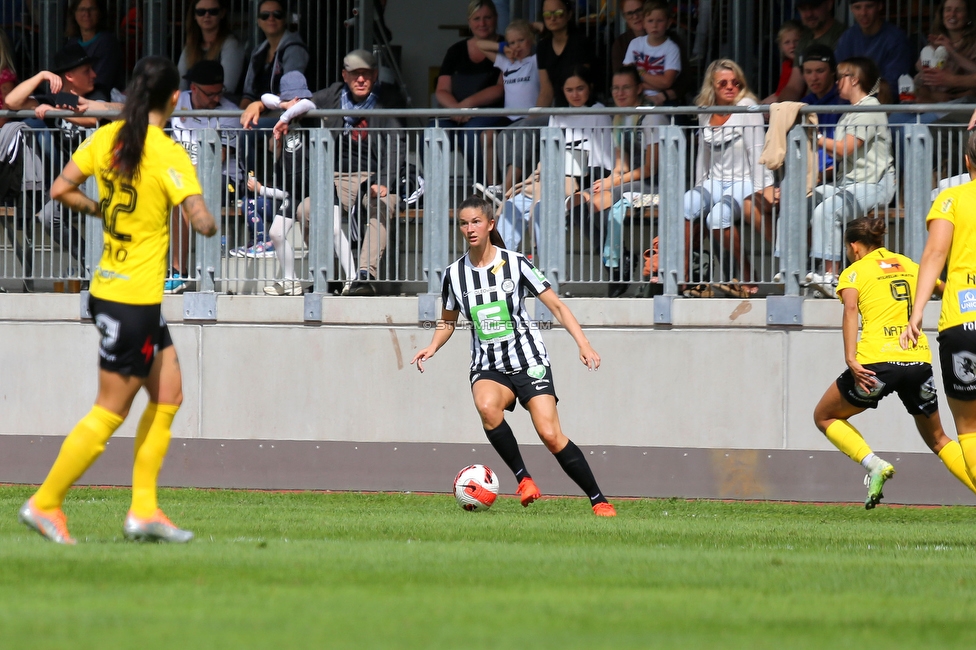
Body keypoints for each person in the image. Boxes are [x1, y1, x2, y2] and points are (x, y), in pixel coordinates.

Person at [17, 56, 217, 545]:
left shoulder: (106, 139)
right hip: (132, 299)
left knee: (169, 394)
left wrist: (100, 208)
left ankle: (144, 510)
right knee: (110, 410)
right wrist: (206, 216)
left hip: (118, 292)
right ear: (173, 99)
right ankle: (45, 502)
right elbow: (201, 221)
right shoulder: (168, 153)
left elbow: (62, 188)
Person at [411, 195, 616, 518]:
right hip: (488, 364)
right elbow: (448, 321)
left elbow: (558, 307)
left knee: (550, 435)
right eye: (464, 223)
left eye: (476, 221)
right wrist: (433, 345)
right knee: (486, 407)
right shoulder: (454, 274)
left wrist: (583, 344)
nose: (470, 228)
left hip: (528, 360)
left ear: (491, 224)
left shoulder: (517, 263)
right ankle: (524, 480)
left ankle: (598, 499)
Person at [814, 217, 976, 509]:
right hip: (917, 362)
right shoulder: (909, 265)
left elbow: (850, 309)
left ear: (854, 247)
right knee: (939, 439)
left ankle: (873, 464)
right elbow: (945, 289)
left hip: (876, 365)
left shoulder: (854, 272)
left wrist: (850, 357)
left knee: (825, 416)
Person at [243, 50, 410, 296]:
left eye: (366, 74)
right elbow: (298, 102)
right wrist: (257, 103)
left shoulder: (388, 98)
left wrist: (385, 180)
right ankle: (326, 276)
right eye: (355, 74)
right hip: (333, 178)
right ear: (345, 75)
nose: (361, 79)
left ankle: (363, 276)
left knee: (381, 202)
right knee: (305, 209)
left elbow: (398, 143)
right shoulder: (332, 95)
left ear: (375, 75)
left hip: (373, 177)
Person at [902, 131, 976, 491]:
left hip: (964, 324)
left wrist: (916, 313)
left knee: (970, 430)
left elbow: (933, 256)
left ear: (966, 162)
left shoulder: (951, 199)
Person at [497, 66, 613, 254]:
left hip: (584, 180)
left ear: (590, 87)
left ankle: (550, 270)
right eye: (569, 90)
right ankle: (503, 265)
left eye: (580, 88)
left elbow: (603, 160)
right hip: (553, 179)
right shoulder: (558, 113)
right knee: (511, 207)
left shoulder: (598, 113)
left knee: (543, 209)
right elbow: (550, 152)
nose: (575, 94)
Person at [683, 59, 772, 298]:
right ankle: (683, 274)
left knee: (718, 216)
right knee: (687, 203)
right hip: (715, 180)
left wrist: (763, 187)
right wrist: (699, 185)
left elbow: (756, 150)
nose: (730, 87)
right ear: (712, 86)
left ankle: (745, 273)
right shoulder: (705, 111)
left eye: (735, 82)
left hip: (743, 180)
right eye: (723, 83)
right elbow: (703, 154)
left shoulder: (747, 106)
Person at [807, 57, 894, 296]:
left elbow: (845, 148)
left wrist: (815, 138)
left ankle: (830, 276)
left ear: (853, 79)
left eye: (840, 76)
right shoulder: (851, 112)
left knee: (827, 210)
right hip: (850, 183)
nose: (836, 82)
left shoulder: (869, 107)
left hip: (874, 184)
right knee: (804, 200)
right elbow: (850, 158)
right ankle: (789, 269)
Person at [573, 66, 659, 296]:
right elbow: (622, 165)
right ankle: (617, 262)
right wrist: (609, 179)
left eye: (626, 88)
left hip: (656, 185)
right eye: (616, 88)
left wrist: (612, 184)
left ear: (639, 88)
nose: (620, 93)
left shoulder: (651, 116)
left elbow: (650, 168)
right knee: (581, 203)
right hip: (633, 180)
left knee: (599, 201)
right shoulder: (619, 118)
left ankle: (617, 265)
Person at [166, 60, 244, 294]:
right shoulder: (176, 101)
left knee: (182, 196)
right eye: (210, 94)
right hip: (183, 175)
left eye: (219, 93)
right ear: (194, 89)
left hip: (224, 178)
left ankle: (178, 272)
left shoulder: (230, 113)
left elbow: (217, 158)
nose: (216, 99)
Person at [433, 0, 504, 182]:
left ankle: (482, 192)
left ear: (496, 18)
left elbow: (501, 88)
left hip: (493, 113)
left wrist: (466, 106)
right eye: (477, 18)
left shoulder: (505, 47)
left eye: (487, 17)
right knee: (432, 132)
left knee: (473, 131)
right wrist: (457, 109)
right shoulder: (456, 51)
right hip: (457, 115)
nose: (482, 23)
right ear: (469, 22)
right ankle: (432, 192)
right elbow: (441, 90)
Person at [473, 19, 540, 193]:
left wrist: (534, 27)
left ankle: (507, 187)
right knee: (487, 135)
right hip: (509, 118)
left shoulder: (535, 61)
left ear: (531, 40)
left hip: (529, 118)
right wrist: (503, 48)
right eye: (512, 42)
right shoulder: (507, 63)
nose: (516, 46)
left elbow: (547, 39)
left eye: (521, 40)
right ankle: (494, 186)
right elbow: (480, 44)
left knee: (515, 136)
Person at [239, 0, 308, 109]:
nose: (271, 18)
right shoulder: (257, 51)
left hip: (284, 113)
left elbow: (291, 94)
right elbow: (248, 94)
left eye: (277, 14)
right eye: (265, 15)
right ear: (259, 21)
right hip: (258, 113)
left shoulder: (294, 49)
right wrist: (240, 115)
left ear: (285, 19)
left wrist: (261, 105)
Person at [834, 0, 914, 94]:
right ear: (851, 9)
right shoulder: (847, 38)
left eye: (869, 6)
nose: (863, 13)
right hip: (850, 103)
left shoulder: (896, 39)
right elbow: (839, 78)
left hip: (884, 104)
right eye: (857, 7)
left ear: (879, 6)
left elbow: (892, 85)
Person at [177, 0, 245, 98]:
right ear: (194, 15)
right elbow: (181, 86)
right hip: (192, 108)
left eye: (213, 11)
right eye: (201, 12)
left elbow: (227, 88)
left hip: (223, 107)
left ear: (222, 13)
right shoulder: (190, 47)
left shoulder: (231, 44)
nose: (207, 15)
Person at [912, 0, 976, 104]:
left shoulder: (973, 45)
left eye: (958, 10)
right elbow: (920, 80)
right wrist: (930, 95)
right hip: (929, 102)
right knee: (896, 118)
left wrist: (951, 51)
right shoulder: (934, 43)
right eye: (948, 10)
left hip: (960, 105)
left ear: (968, 16)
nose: (952, 14)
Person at [535, 0, 595, 108]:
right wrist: (533, 119)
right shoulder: (542, 46)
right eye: (547, 14)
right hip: (556, 107)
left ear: (569, 15)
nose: (552, 18)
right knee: (524, 124)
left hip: (581, 107)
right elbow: (546, 91)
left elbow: (581, 85)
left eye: (558, 13)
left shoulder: (581, 43)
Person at [622, 0, 682, 107]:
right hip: (635, 98)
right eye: (650, 21)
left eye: (659, 21)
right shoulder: (635, 44)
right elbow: (626, 77)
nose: (654, 25)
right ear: (644, 23)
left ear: (668, 23)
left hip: (664, 101)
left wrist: (640, 74)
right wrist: (653, 84)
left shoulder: (672, 48)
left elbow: (666, 82)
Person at [64, 0, 124, 96]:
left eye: (92, 9)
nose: (86, 14)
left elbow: (101, 81)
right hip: (75, 96)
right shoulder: (72, 43)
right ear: (74, 14)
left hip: (101, 97)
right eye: (82, 9)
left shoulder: (107, 42)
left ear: (100, 13)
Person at [761, 21, 803, 104]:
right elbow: (779, 92)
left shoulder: (800, 65)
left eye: (796, 41)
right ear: (780, 46)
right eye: (787, 42)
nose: (792, 46)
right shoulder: (786, 64)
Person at [610, 0, 645, 73]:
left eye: (639, 10)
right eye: (629, 13)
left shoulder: (667, 38)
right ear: (624, 17)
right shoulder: (620, 43)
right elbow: (619, 77)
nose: (635, 16)